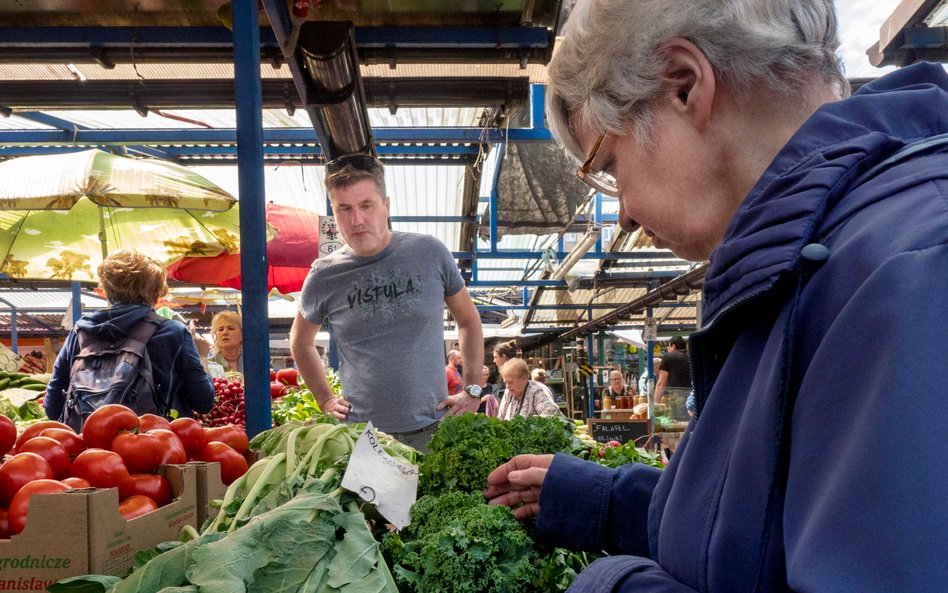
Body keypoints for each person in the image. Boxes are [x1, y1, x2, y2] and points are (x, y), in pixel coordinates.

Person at [483, 1, 948, 591]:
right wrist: (609, 502)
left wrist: (612, 585)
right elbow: (761, 536)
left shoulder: (914, 274)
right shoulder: (812, 269)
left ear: (684, 85)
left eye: (608, 163)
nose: (621, 213)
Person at [290, 153, 484, 452]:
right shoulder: (324, 275)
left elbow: (469, 321)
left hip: (435, 430)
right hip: (363, 438)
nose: (357, 220)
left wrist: (472, 389)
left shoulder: (429, 252)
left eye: (366, 205)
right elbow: (301, 342)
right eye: (345, 209)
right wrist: (325, 398)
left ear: (386, 206)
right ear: (334, 212)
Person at [44, 250, 214, 421]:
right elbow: (203, 402)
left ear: (107, 290)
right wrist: (202, 357)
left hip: (91, 444)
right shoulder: (173, 332)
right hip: (156, 442)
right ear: (157, 293)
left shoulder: (81, 332)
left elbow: (52, 406)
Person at [496, 358, 561, 420]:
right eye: (505, 382)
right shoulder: (509, 392)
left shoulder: (537, 391)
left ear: (524, 378)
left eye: (510, 382)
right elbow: (501, 417)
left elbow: (551, 415)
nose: (507, 386)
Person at [653, 336, 691, 406]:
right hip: (693, 398)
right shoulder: (692, 356)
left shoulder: (668, 357)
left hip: (678, 398)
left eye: (669, 347)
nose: (668, 349)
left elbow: (661, 383)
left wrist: (655, 404)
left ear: (673, 346)